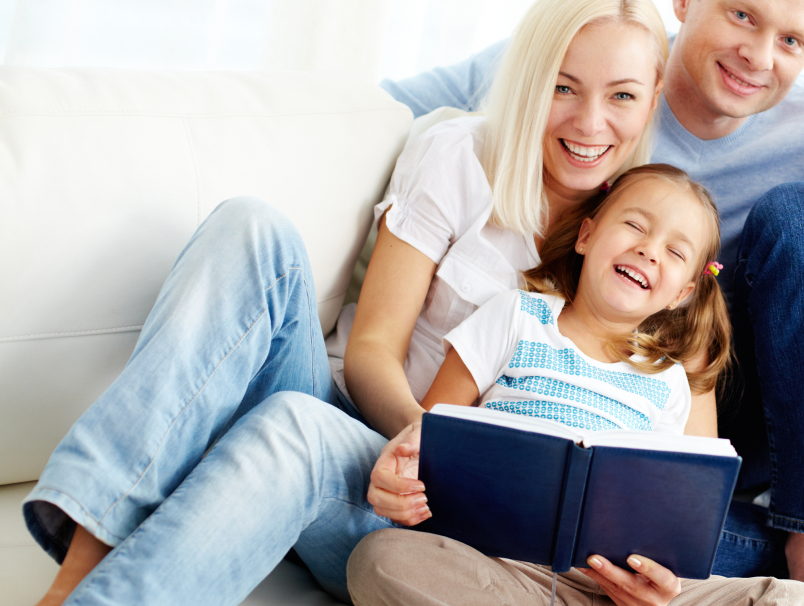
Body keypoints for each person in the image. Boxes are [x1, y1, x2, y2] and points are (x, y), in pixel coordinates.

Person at [376, 1, 804, 604]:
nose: (760, 55)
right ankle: (778, 553)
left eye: (792, 40)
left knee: (803, 219)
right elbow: (395, 101)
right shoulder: (604, 64)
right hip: (585, 371)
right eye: (742, 14)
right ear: (686, 2)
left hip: (718, 375)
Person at [22, 0, 673, 604]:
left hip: (416, 519)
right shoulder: (460, 155)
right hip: (367, 420)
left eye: (621, 96)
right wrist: (424, 437)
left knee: (299, 428)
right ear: (529, 80)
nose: (590, 122)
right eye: (563, 86)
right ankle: (84, 557)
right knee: (252, 228)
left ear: (653, 99)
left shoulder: (640, 242)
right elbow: (370, 350)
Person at [348, 164, 804, 606]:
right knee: (381, 558)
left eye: (675, 251)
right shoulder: (516, 316)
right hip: (496, 572)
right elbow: (429, 441)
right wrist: (402, 481)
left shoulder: (669, 381)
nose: (648, 249)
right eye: (635, 226)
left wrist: (662, 588)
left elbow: (678, 527)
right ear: (586, 235)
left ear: (683, 293)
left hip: (613, 589)